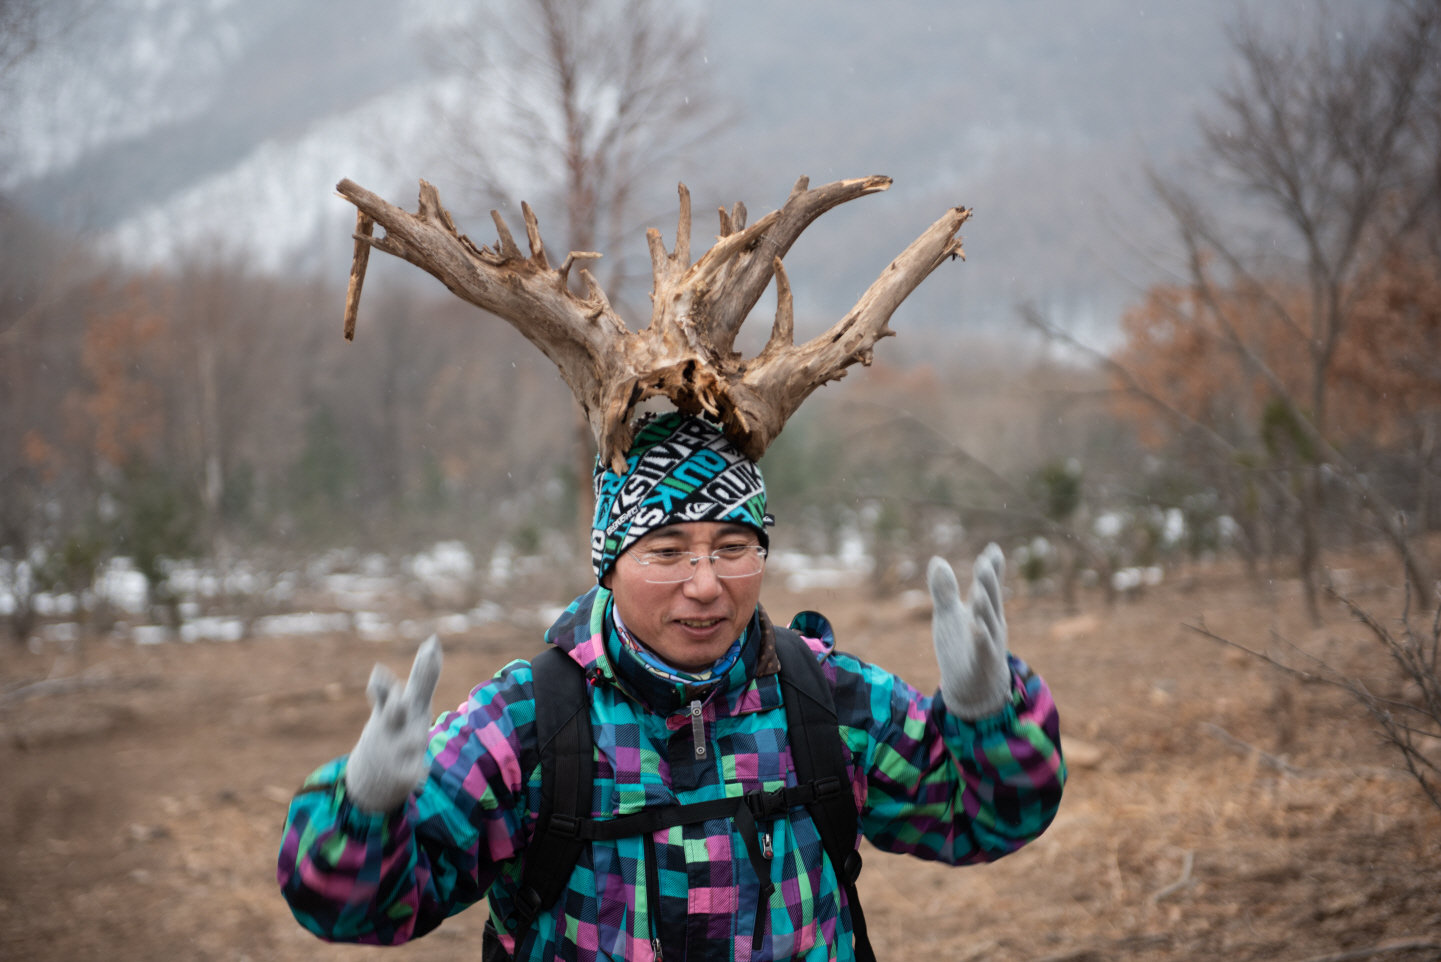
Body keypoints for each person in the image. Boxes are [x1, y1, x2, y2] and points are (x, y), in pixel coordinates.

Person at [277, 412, 1065, 962]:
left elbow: (985, 820)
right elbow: (354, 910)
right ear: (609, 564)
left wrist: (986, 716)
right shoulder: (526, 724)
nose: (705, 583)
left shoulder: (827, 700)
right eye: (666, 550)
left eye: (733, 546)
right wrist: (364, 807)